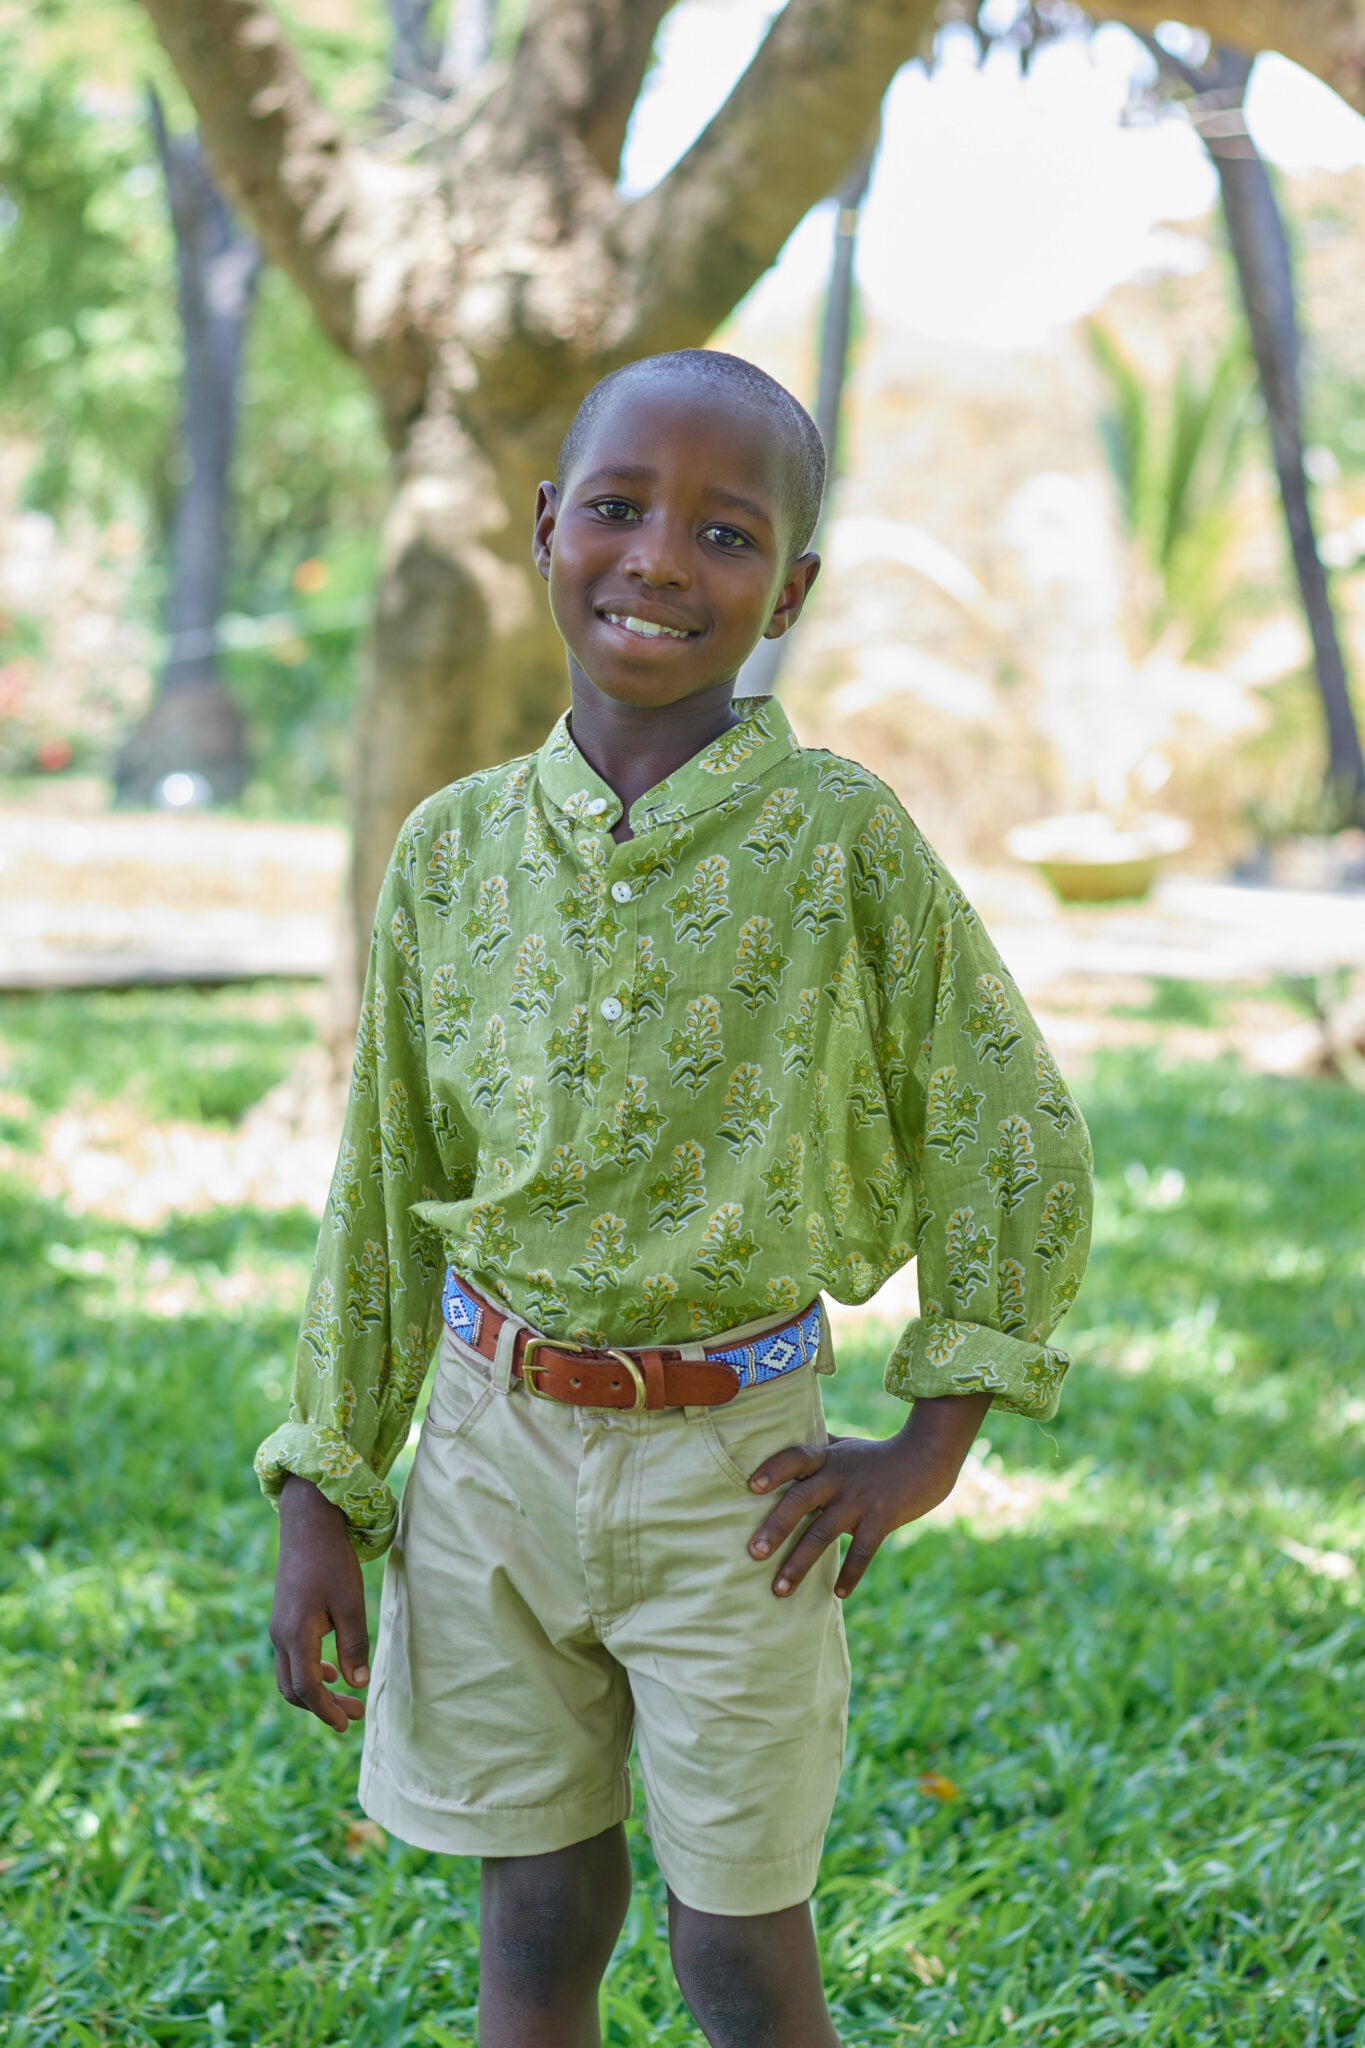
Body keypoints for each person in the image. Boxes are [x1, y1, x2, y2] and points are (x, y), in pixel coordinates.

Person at [258, 348, 1093, 2047]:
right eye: (621, 510)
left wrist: (933, 1435)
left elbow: (1003, 1120)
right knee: (540, 1908)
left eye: (722, 534)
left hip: (744, 1472)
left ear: (784, 587)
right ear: (548, 524)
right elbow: (386, 1177)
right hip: (491, 1453)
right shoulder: (450, 851)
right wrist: (324, 1485)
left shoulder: (838, 838)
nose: (657, 559)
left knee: (734, 1940)